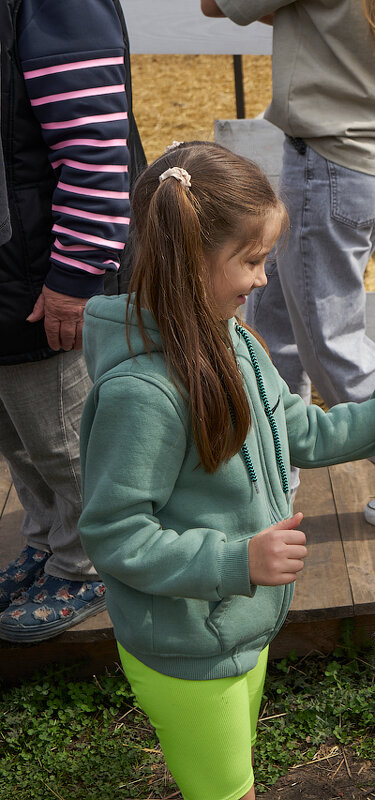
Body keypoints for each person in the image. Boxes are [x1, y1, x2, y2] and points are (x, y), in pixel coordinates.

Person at [76, 141, 375, 800]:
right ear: (186, 262)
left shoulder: (232, 341)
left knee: (231, 774)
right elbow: (114, 534)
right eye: (251, 262)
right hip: (189, 646)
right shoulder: (143, 393)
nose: (261, 280)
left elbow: (300, 430)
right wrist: (237, 561)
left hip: (234, 625)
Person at [200, 0, 375, 529]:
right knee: (276, 322)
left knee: (332, 342)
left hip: (332, 165)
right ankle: (275, 468)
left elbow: (217, 5)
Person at [0, 0, 144, 643]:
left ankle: (90, 564)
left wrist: (74, 277)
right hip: (11, 262)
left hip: (40, 266)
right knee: (17, 430)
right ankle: (51, 541)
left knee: (62, 434)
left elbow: (93, 146)